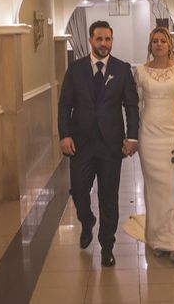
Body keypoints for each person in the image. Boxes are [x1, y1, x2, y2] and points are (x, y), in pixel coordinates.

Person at [57, 20, 140, 267]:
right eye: (99, 39)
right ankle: (87, 221)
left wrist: (132, 137)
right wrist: (64, 134)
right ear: (91, 41)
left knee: (108, 197)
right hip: (80, 143)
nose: (104, 44)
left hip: (110, 145)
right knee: (79, 192)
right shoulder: (75, 69)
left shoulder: (122, 69)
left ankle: (107, 246)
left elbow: (131, 106)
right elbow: (64, 104)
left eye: (108, 39)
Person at [133, 26, 174, 264]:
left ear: (170, 45)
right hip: (149, 136)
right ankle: (157, 239)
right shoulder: (140, 72)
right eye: (155, 41)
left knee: (172, 188)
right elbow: (136, 106)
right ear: (150, 46)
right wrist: (132, 137)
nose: (159, 44)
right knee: (154, 190)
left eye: (163, 41)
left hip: (173, 135)